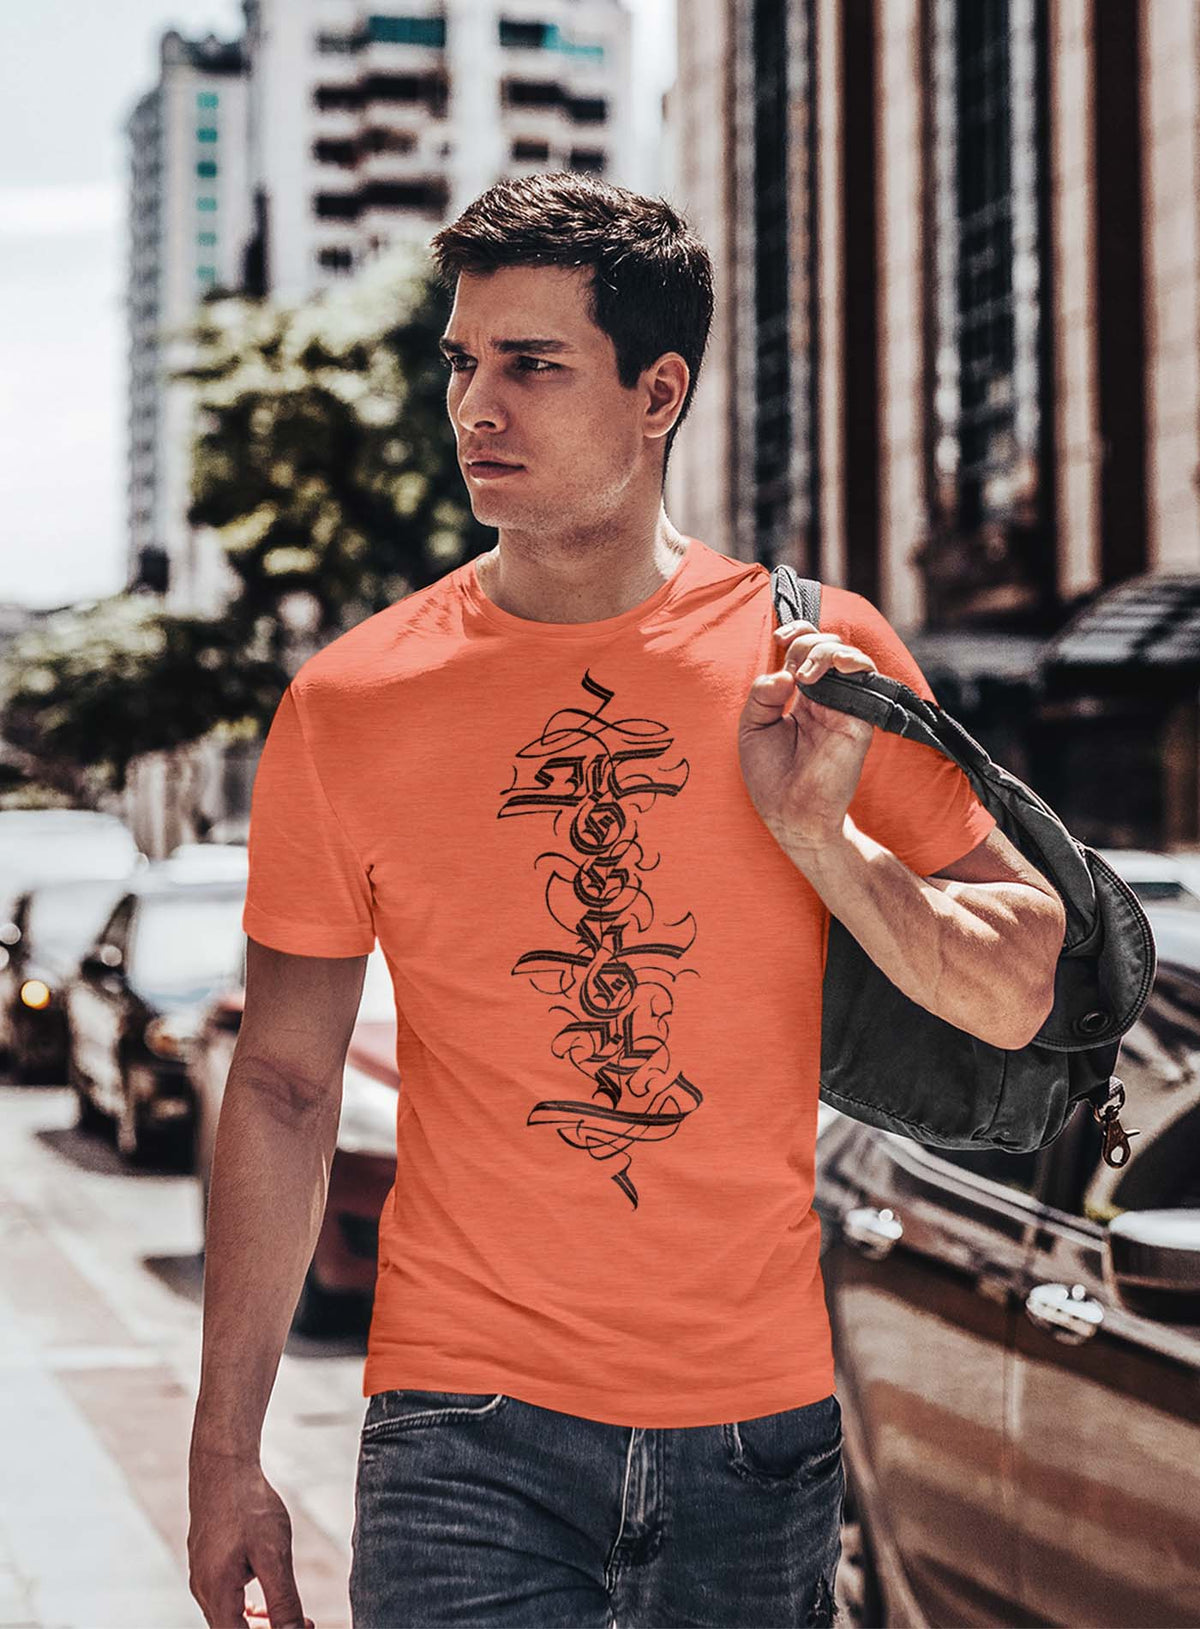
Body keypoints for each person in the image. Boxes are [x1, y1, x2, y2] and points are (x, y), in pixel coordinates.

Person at [187, 171, 1066, 1629]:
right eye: (462, 361)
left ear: (658, 393)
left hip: (759, 1439)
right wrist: (226, 1451)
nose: (476, 407)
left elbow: (1023, 981)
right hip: (462, 1431)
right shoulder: (350, 703)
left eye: (532, 365)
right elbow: (282, 1083)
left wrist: (826, 841)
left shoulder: (813, 658)